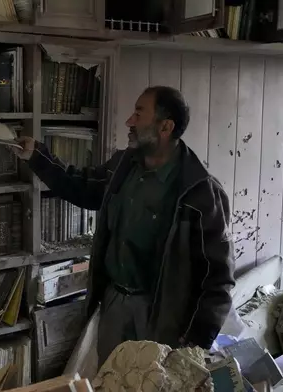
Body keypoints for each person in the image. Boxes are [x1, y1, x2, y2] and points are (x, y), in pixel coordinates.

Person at [12, 86, 235, 367]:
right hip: (115, 306)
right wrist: (36, 155)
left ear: (165, 127)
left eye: (139, 114)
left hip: (163, 318)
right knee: (114, 382)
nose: (129, 121)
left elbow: (218, 280)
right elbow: (82, 186)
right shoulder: (123, 167)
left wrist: (194, 345)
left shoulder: (201, 193)